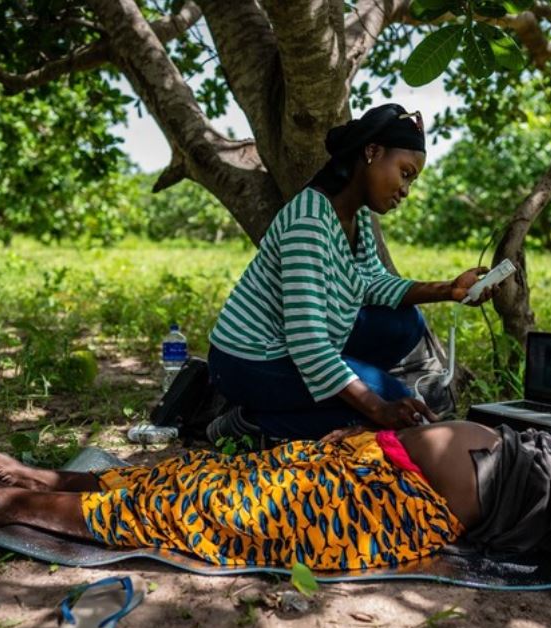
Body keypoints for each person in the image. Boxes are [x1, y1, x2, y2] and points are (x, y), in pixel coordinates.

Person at [0, 407, 551, 574]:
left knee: (211, 512)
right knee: (198, 473)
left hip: (387, 509)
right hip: (375, 461)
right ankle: (51, 478)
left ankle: (3, 504)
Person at [205, 103, 496, 442]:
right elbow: (309, 345)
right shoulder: (310, 222)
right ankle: (249, 423)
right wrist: (377, 407)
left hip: (299, 346)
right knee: (386, 406)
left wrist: (449, 289)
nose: (406, 191)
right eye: (405, 173)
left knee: (405, 322)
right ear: (372, 151)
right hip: (249, 361)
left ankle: (313, 397)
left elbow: (373, 281)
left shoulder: (354, 217)